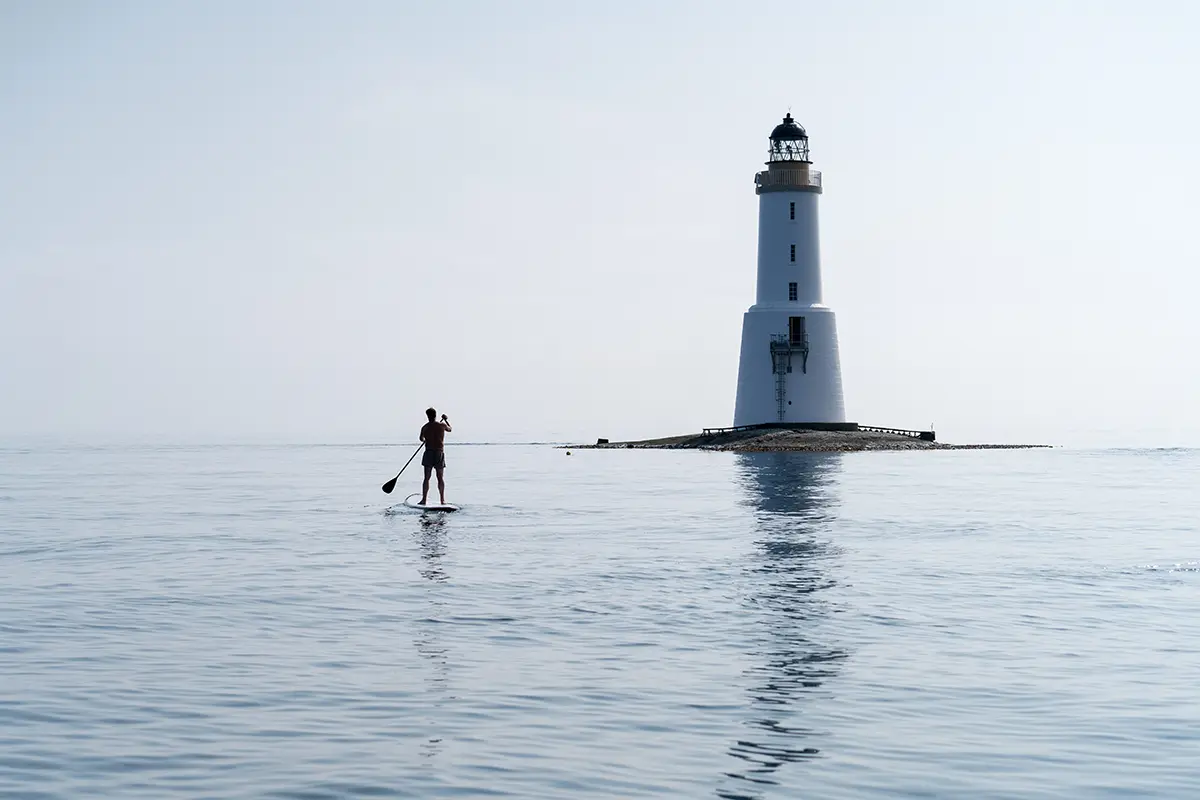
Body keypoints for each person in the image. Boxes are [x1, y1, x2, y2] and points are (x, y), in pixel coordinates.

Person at [419, 408, 452, 505]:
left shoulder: (425, 427)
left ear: (427, 416)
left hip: (429, 453)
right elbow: (450, 429)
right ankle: (442, 500)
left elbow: (421, 438)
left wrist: (425, 439)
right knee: (440, 477)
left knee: (427, 478)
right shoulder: (442, 425)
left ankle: (424, 500)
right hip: (439, 453)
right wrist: (445, 419)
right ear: (435, 415)